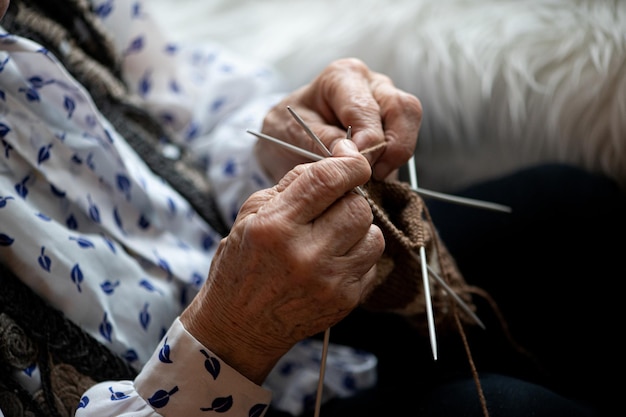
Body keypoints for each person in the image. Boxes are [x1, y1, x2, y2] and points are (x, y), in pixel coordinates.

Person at [0, 1, 624, 417]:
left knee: (567, 211)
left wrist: (276, 139)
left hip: (286, 300)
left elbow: (190, 99)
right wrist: (230, 339)